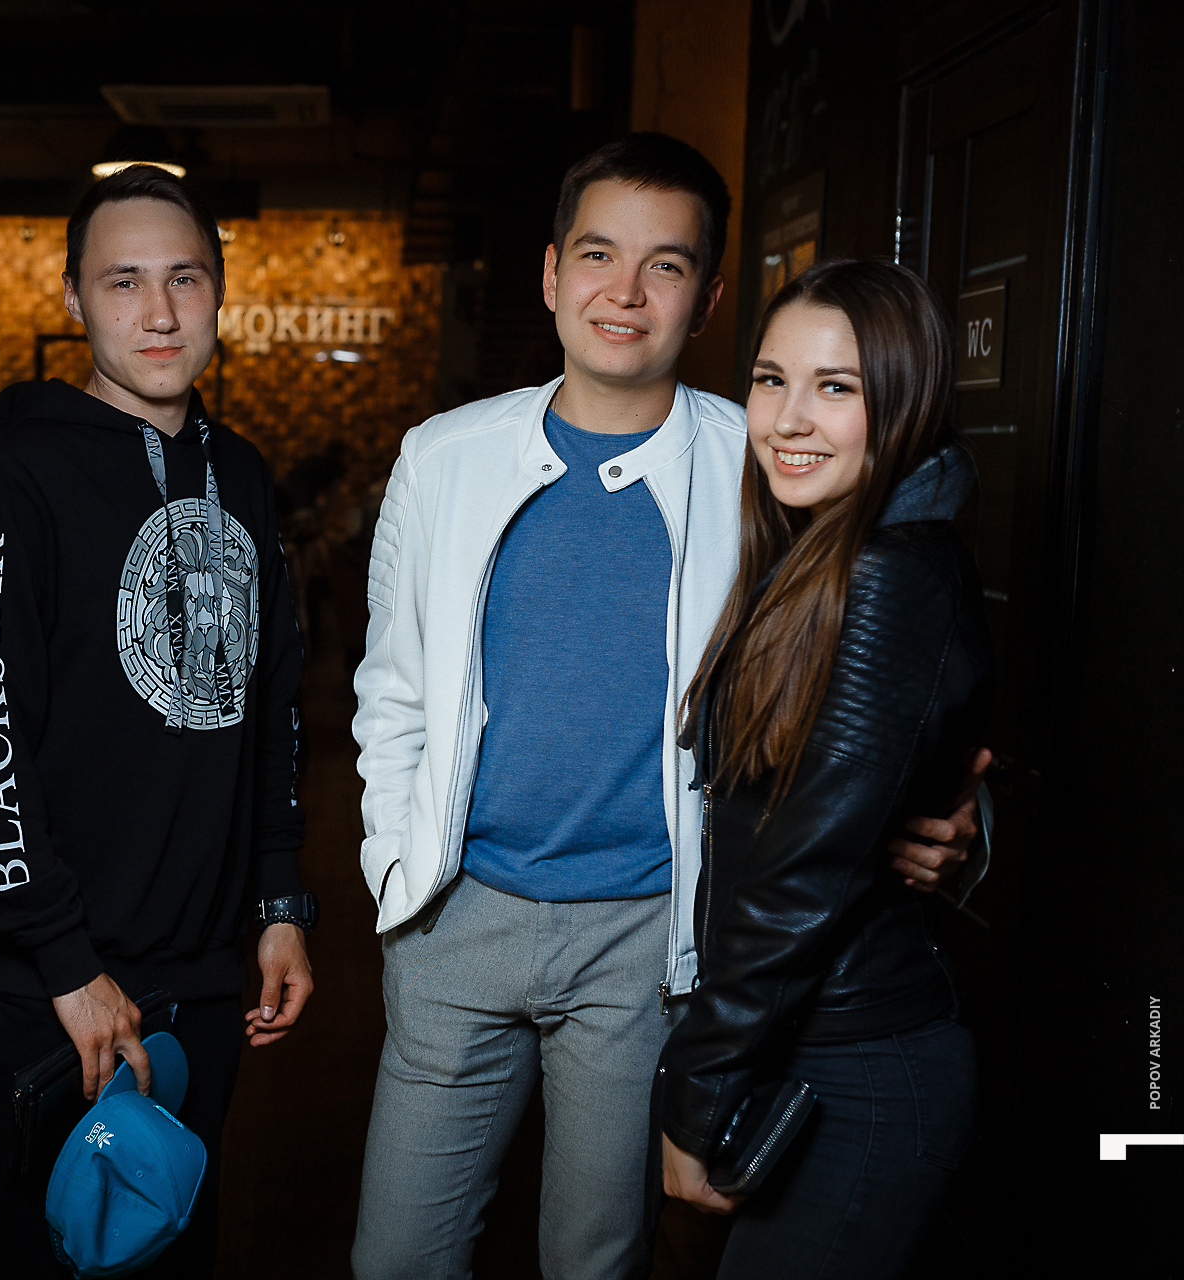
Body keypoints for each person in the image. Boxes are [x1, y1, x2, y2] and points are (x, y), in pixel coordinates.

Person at [348, 134, 988, 1280]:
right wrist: (396, 869)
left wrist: (942, 816)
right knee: (396, 1255)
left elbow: (872, 680)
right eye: (599, 255)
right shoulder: (441, 457)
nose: (627, 293)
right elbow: (392, 684)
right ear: (553, 274)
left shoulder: (766, 459)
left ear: (708, 298)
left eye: (668, 265)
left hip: (645, 933)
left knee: (595, 1259)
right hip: (456, 920)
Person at [0, 163, 316, 1277]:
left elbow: (271, 706)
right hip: (56, 984)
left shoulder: (243, 474)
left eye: (184, 279)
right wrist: (64, 961)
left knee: (172, 1255)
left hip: (203, 979)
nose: (159, 312)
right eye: (123, 282)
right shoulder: (13, 477)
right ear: (73, 298)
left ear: (219, 291)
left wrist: (280, 905)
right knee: (33, 1258)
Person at [657, 258, 990, 1277]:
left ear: (905, 397)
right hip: (822, 1044)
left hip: (861, 1063)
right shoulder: (822, 552)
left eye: (835, 387)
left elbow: (802, 872)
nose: (788, 420)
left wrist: (697, 1093)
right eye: (771, 380)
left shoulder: (887, 572)